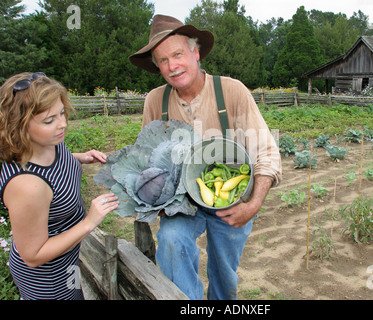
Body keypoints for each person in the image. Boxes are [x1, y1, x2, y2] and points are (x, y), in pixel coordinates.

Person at [129, 15, 282, 300]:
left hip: (230, 199)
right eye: (162, 60)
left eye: (177, 54)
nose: (172, 66)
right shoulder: (154, 101)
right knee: (172, 241)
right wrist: (155, 203)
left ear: (195, 52)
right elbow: (147, 159)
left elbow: (266, 151)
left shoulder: (231, 91)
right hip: (181, 202)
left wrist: (253, 205)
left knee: (225, 271)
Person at [0, 72, 119, 300]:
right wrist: (89, 222)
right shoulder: (26, 186)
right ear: (19, 125)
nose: (63, 124)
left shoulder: (48, 143)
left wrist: (80, 157)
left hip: (69, 260)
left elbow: (53, 166)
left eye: (62, 113)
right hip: (47, 279)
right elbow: (33, 256)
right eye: (49, 120)